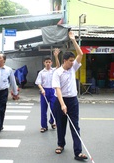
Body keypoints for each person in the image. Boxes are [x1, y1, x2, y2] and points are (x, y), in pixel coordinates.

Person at [52, 31, 88, 161]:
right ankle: (60, 144)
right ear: (64, 60)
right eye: (71, 61)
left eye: (73, 61)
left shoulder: (73, 68)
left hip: (73, 100)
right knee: (61, 125)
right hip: (60, 100)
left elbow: (81, 54)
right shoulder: (57, 72)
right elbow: (58, 89)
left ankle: (78, 152)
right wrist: (62, 104)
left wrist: (73, 40)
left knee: (75, 126)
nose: (73, 63)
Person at [35, 48, 60, 133]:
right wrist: (42, 89)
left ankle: (52, 121)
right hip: (44, 91)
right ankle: (44, 126)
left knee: (54, 108)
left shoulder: (54, 70)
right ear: (44, 63)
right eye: (46, 62)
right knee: (43, 110)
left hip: (53, 91)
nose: (48, 63)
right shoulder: (41, 72)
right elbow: (38, 82)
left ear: (51, 63)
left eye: (49, 62)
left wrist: (56, 56)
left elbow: (58, 66)